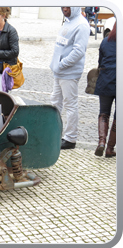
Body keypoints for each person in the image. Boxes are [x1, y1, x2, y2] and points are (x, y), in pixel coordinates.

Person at [50, 7, 90, 149]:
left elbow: (79, 51)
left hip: (69, 73)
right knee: (55, 103)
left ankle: (70, 138)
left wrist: (61, 64)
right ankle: (53, 133)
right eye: (62, 6)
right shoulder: (67, 22)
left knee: (70, 104)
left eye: (67, 6)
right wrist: (55, 64)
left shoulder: (81, 25)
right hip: (59, 71)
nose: (64, 8)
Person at [94, 22, 116, 157]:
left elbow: (100, 62)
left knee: (103, 113)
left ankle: (101, 142)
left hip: (105, 80)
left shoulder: (105, 41)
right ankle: (109, 148)